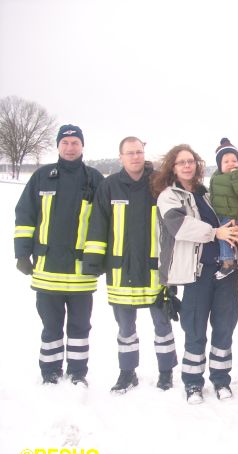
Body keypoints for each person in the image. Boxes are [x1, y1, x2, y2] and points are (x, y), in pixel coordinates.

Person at [82, 136, 178, 394]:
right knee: (125, 328)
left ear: (144, 153)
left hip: (155, 270)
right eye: (129, 153)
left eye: (139, 152)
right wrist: (93, 262)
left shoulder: (160, 184)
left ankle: (166, 372)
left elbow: (175, 225)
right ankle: (127, 373)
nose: (135, 157)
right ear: (120, 157)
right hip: (120, 270)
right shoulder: (109, 186)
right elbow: (97, 226)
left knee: (162, 325)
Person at [152, 144, 238, 404]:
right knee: (194, 329)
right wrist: (215, 233)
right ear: (173, 166)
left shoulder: (206, 194)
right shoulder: (170, 196)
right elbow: (179, 226)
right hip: (197, 274)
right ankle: (193, 383)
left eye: (190, 161)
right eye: (181, 162)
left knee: (224, 328)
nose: (187, 165)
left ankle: (221, 378)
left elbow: (228, 219)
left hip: (225, 273)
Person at [14, 124, 104, 386]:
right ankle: (50, 372)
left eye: (75, 142)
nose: (70, 147)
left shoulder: (95, 179)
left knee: (79, 328)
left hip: (82, 271)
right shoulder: (42, 177)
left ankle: (77, 372)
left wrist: (100, 259)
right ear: (58, 146)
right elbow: (24, 217)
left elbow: (106, 222)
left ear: (82, 146)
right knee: (51, 326)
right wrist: (22, 254)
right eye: (65, 143)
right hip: (46, 268)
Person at [209, 137, 238, 279]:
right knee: (223, 235)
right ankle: (230, 258)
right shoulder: (215, 177)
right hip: (221, 214)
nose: (230, 164)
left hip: (234, 215)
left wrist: (236, 176)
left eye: (234, 161)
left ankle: (228, 262)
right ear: (219, 165)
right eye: (226, 162)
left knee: (226, 236)